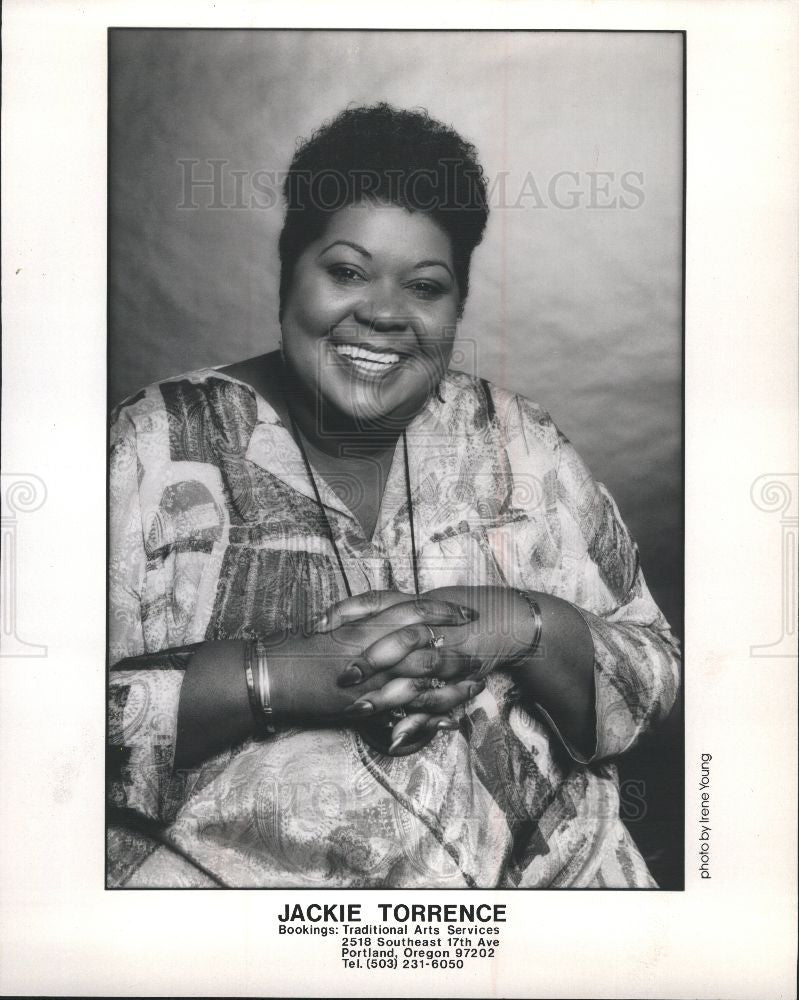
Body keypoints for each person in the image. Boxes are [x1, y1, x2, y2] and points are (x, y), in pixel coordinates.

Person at [108, 102, 680, 888]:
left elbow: (653, 673)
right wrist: (278, 675)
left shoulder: (517, 439)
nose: (383, 313)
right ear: (287, 267)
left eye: (424, 286)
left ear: (457, 305)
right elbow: (38, 735)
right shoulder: (154, 446)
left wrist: (513, 623)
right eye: (345, 271)